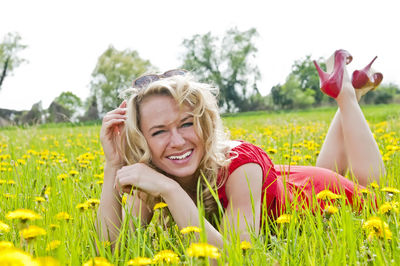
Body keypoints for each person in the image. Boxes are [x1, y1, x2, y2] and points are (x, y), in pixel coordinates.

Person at [96, 50, 385, 249]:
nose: (177, 141)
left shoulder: (239, 166)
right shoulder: (148, 175)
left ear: (205, 123)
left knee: (373, 189)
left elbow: (233, 256)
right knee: (327, 169)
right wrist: (113, 164)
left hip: (319, 198)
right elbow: (113, 250)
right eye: (159, 131)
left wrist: (170, 191)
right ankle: (349, 91)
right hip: (289, 182)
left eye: (186, 124)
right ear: (142, 139)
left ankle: (347, 92)